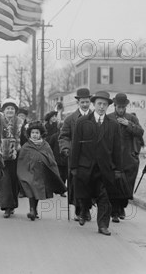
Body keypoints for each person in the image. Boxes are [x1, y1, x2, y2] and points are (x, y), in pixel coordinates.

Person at [70, 91, 122, 236]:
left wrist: (118, 169)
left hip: (105, 168)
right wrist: (74, 166)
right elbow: (76, 147)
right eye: (99, 104)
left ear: (108, 107)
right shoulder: (82, 122)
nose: (101, 107)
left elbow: (117, 149)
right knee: (85, 193)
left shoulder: (113, 125)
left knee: (104, 196)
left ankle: (103, 225)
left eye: (104, 104)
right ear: (93, 104)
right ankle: (83, 210)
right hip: (86, 166)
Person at [17, 121, 66, 220]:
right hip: (29, 172)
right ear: (29, 134)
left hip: (41, 173)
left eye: (37, 133)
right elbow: (22, 160)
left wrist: (53, 169)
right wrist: (23, 172)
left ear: (40, 134)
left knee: (37, 191)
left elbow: (51, 159)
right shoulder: (26, 146)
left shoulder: (45, 145)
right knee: (31, 190)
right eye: (33, 133)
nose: (35, 135)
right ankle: (32, 210)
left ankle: (34, 210)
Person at [107, 93, 144, 221]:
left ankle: (122, 206)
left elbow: (140, 132)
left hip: (128, 157)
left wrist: (128, 124)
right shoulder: (109, 118)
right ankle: (115, 212)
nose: (121, 110)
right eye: (119, 107)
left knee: (127, 185)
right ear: (114, 106)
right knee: (115, 184)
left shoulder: (131, 118)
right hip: (113, 157)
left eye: (123, 107)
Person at [58, 88, 92, 222]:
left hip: (91, 157)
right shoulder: (70, 119)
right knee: (76, 183)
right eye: (82, 102)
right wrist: (66, 148)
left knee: (90, 183)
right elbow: (64, 136)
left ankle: (87, 209)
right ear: (78, 102)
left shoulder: (95, 117)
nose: (85, 104)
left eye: (87, 102)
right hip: (75, 157)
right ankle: (79, 210)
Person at [0, 98, 22, 218]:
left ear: (15, 110)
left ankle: (12, 205)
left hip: (17, 155)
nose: (10, 111)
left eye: (12, 109)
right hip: (2, 154)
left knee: (14, 180)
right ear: (4, 110)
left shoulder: (21, 122)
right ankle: (6, 206)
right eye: (8, 109)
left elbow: (26, 137)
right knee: (4, 180)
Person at [45, 111, 67, 191]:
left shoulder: (57, 126)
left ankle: (61, 188)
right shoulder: (46, 126)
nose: (54, 118)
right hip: (54, 152)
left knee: (63, 173)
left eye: (55, 116)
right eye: (53, 116)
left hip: (62, 155)